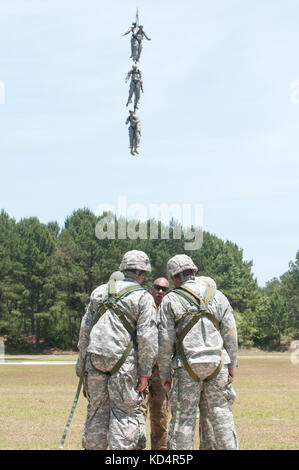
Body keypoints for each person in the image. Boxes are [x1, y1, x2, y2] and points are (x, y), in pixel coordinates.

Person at [76, 250, 158, 450]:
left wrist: (82, 369)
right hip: (123, 364)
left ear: (123, 269)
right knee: (125, 416)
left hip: (94, 362)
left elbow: (84, 332)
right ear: (143, 273)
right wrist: (145, 372)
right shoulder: (142, 297)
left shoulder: (99, 292)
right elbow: (147, 338)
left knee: (96, 414)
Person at [158, 254, 238, 450]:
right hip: (217, 365)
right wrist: (232, 365)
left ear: (175, 277)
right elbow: (230, 334)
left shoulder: (171, 299)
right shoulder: (218, 296)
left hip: (187, 367)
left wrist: (164, 374)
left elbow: (165, 341)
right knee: (223, 417)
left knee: (183, 421)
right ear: (194, 272)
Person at [144, 277, 170, 450]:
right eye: (157, 287)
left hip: (161, 372)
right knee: (136, 414)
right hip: (141, 371)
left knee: (160, 417)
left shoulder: (170, 312)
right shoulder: (140, 308)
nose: (160, 291)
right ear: (150, 288)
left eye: (164, 289)